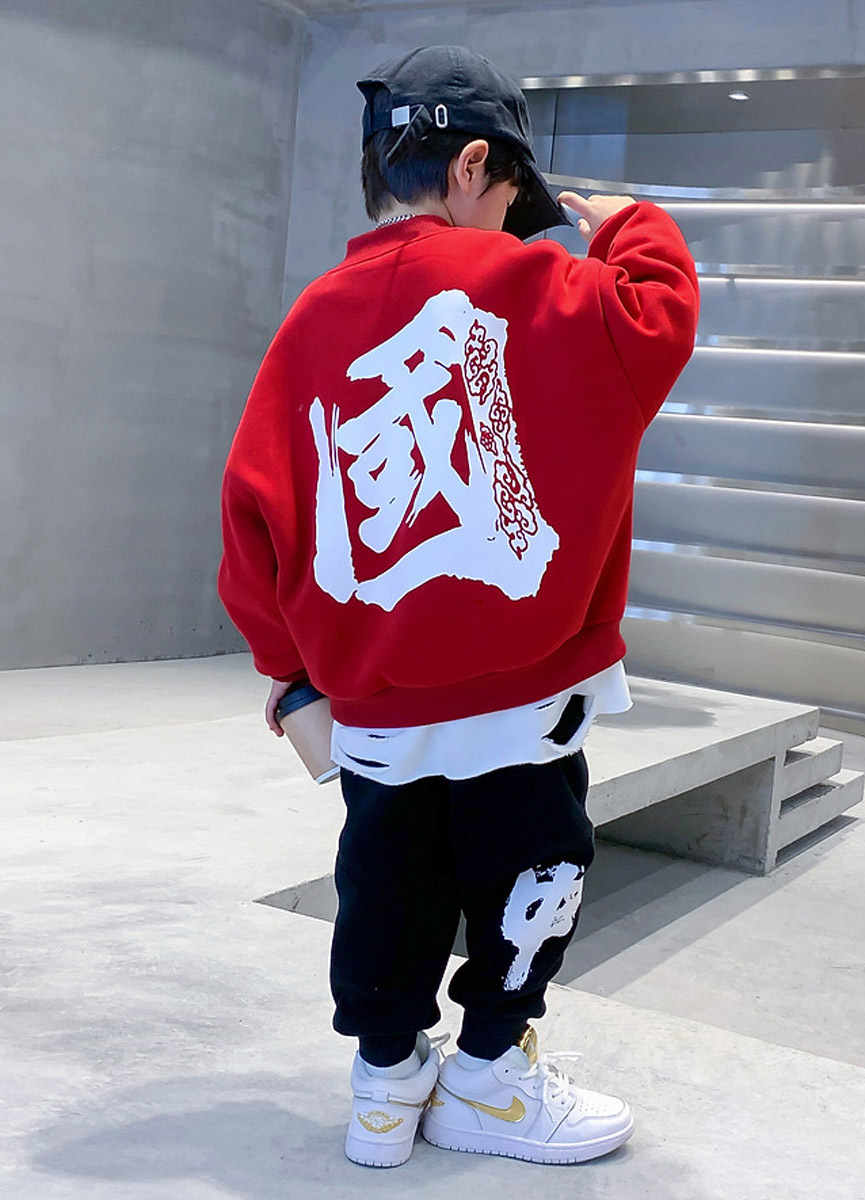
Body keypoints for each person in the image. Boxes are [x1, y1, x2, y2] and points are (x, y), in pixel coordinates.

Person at [217, 44, 699, 1169]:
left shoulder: (309, 321)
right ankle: (488, 1079)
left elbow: (251, 514)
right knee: (531, 875)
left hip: (377, 712)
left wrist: (289, 671)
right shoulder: (545, 289)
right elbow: (659, 317)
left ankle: (385, 1093)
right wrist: (632, 225)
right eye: (510, 196)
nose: (513, 224)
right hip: (524, 703)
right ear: (473, 163)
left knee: (385, 883)